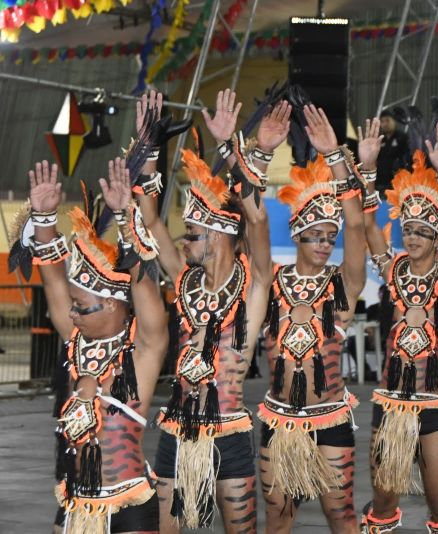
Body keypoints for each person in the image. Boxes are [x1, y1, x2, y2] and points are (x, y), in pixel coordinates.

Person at [138, 89, 273, 532]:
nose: (183, 241)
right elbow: (152, 223)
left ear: (217, 235)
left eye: (192, 234)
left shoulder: (252, 287)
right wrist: (150, 149)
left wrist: (228, 148)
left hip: (230, 432)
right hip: (175, 431)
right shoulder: (185, 281)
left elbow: (255, 221)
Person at [11, 155, 167, 533]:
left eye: (81, 308)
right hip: (76, 505)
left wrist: (128, 220)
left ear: (112, 302)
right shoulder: (78, 341)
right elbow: (53, 285)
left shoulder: (141, 350)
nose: (73, 316)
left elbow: (149, 302)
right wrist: (45, 220)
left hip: (127, 505)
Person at [257, 104, 366, 533]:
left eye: (329, 238)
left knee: (341, 517)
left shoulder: (343, 287)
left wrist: (336, 156)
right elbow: (255, 221)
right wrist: (262, 152)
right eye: (316, 237)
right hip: (278, 419)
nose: (324, 245)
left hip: (331, 419)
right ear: (298, 235)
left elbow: (356, 229)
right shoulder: (270, 284)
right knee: (278, 519)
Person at [361, 121, 438, 533]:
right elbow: (370, 229)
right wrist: (369, 169)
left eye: (425, 230)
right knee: (383, 499)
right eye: (410, 229)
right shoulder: (393, 269)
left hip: (434, 402)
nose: (415, 236)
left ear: (436, 237)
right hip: (391, 402)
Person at [376, 109, 410, 193]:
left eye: (387, 120)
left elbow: (407, 158)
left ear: (394, 121)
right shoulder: (380, 139)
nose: (385, 124)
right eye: (382, 121)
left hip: (396, 184)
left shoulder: (402, 137)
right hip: (380, 183)